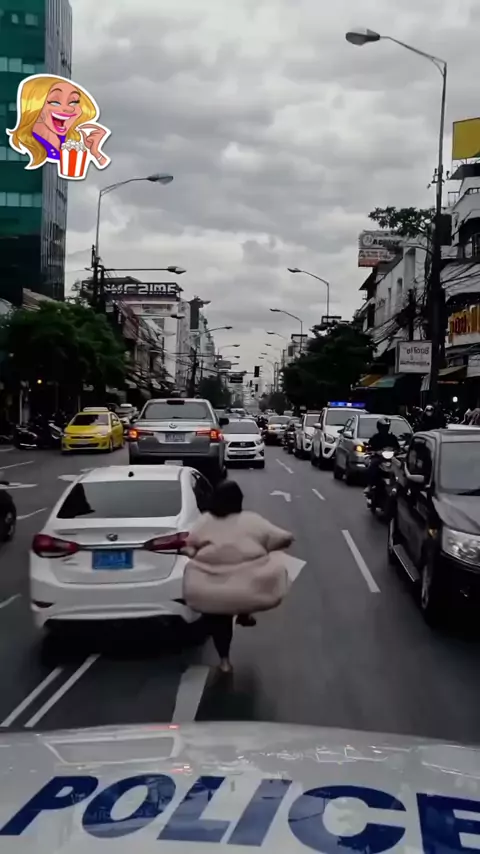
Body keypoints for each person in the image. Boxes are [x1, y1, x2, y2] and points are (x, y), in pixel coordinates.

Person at [183, 481, 294, 673]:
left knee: (220, 621)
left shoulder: (204, 521)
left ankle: (224, 662)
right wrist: (278, 543)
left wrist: (194, 552)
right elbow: (283, 538)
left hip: (210, 588)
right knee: (270, 564)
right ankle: (244, 612)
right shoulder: (252, 521)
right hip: (246, 588)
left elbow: (190, 545)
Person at [365, 418, 400, 496]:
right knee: (373, 465)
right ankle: (369, 486)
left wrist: (396, 451)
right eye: (383, 427)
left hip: (391, 458)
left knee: (400, 466)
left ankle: (399, 487)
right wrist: (375, 451)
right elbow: (369, 447)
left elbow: (398, 448)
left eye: (386, 427)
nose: (385, 429)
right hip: (379, 458)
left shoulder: (392, 438)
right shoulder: (375, 438)